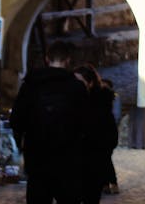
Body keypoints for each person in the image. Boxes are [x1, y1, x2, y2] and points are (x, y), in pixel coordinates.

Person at [9, 40, 88, 204]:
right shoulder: (77, 87)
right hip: (68, 160)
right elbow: (87, 124)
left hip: (38, 159)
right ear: (67, 60)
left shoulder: (31, 85)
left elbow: (16, 121)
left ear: (47, 59)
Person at [72, 64, 118, 204]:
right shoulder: (72, 101)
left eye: (79, 82)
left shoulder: (101, 106)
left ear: (90, 83)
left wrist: (99, 155)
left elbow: (111, 138)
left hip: (93, 164)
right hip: (74, 165)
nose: (75, 85)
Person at [101, 78, 121, 195]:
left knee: (105, 159)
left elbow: (117, 115)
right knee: (105, 160)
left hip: (108, 133)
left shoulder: (114, 98)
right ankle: (107, 184)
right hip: (106, 133)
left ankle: (112, 183)